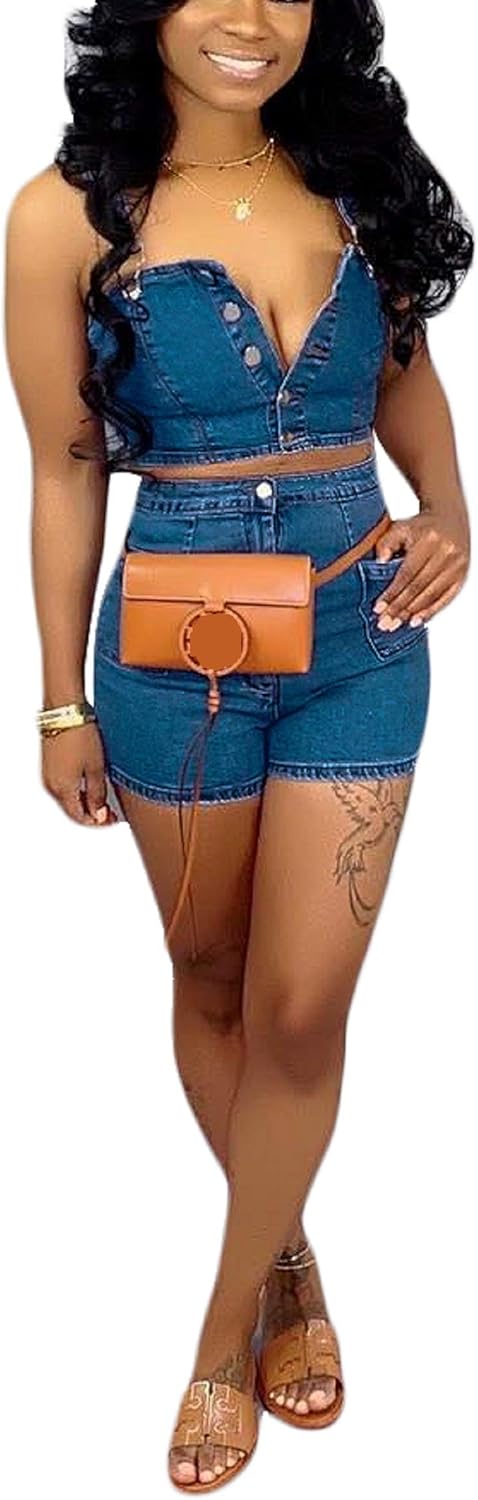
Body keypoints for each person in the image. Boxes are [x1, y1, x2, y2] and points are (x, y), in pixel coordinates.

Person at [4, 0, 473, 1490]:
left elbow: (401, 375)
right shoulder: (63, 214)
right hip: (173, 651)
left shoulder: (356, 171)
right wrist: (60, 700)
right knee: (208, 974)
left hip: (361, 633)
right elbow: (64, 469)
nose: (251, 19)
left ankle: (218, 1345)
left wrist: (448, 509)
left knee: (298, 1014)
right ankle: (287, 1265)